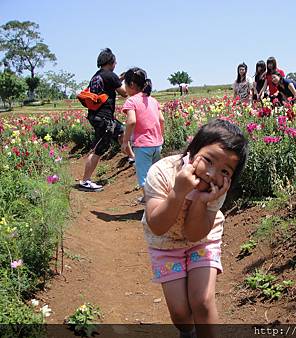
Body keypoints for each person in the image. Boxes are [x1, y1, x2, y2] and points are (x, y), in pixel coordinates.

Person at [143, 119, 248, 338]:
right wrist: (178, 193)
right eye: (208, 160)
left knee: (202, 302)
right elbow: (158, 226)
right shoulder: (162, 172)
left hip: (203, 240)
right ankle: (188, 333)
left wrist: (201, 202)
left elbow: (194, 234)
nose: (211, 173)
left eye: (225, 171)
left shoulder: (217, 189)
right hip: (165, 245)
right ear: (192, 150)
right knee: (181, 313)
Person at [79, 48, 127, 191]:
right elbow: (124, 93)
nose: (116, 63)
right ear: (110, 62)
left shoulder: (96, 76)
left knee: (121, 131)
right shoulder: (110, 75)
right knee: (98, 149)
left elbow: (108, 85)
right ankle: (85, 181)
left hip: (96, 116)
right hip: (103, 118)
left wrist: (119, 79)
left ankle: (131, 157)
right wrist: (124, 82)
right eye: (115, 61)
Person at [121, 67, 165, 202]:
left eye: (125, 84)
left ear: (131, 85)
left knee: (144, 178)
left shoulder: (131, 101)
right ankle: (155, 199)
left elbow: (131, 121)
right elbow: (161, 120)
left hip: (142, 146)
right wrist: (160, 137)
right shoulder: (152, 100)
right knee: (155, 175)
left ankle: (153, 205)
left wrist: (125, 141)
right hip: (157, 144)